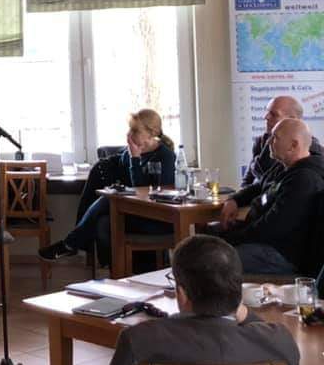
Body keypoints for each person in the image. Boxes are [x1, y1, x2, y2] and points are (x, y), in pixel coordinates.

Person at [110, 234, 299, 365]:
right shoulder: (280, 340)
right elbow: (261, 331)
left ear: (182, 294)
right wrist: (242, 311)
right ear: (237, 291)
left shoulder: (139, 340)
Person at [39, 109, 175, 262]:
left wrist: (135, 159)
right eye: (130, 129)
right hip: (134, 212)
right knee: (103, 222)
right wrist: (130, 159)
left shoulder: (165, 155)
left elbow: (146, 191)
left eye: (135, 130)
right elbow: (124, 176)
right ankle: (113, 271)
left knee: (106, 201)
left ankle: (70, 244)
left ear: (152, 133)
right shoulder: (129, 153)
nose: (129, 134)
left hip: (156, 217)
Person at [216, 118, 324, 274]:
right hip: (263, 241)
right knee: (207, 241)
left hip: (281, 253)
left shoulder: (305, 179)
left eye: (275, 138)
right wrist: (234, 200)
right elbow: (258, 187)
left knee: (215, 260)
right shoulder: (283, 166)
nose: (269, 142)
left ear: (293, 145)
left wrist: (233, 238)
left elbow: (272, 227)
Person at [220, 95, 322, 229]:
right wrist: (235, 199)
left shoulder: (305, 167)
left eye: (274, 114)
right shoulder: (269, 149)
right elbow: (255, 184)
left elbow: (274, 227)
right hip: (256, 215)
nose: (266, 117)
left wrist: (236, 236)